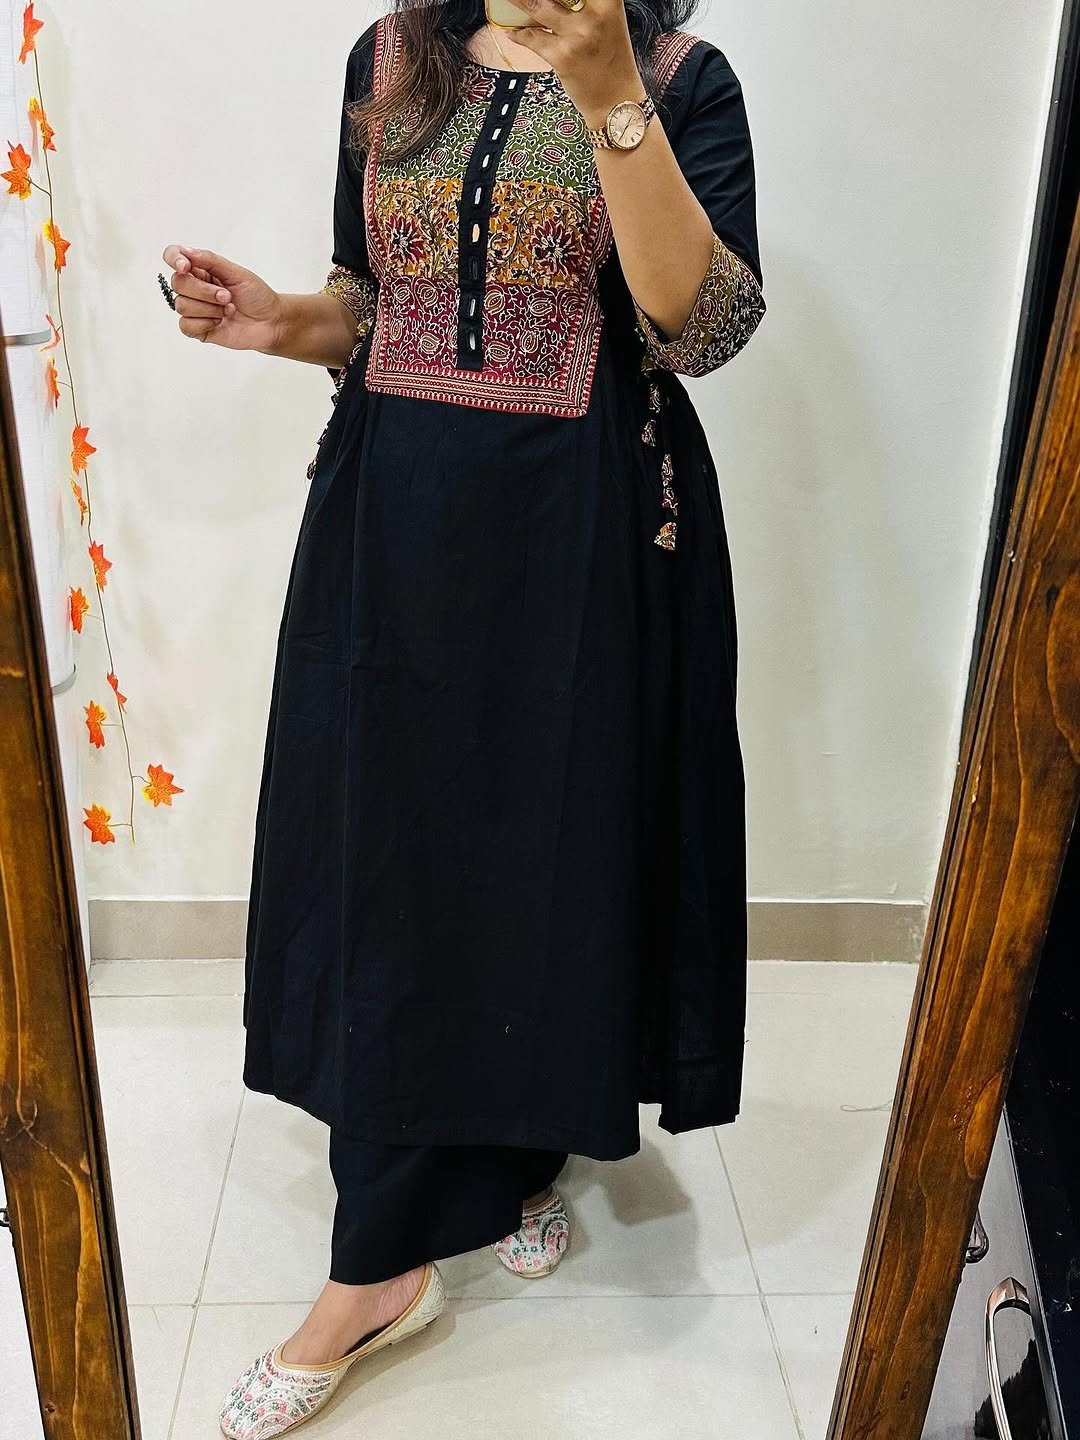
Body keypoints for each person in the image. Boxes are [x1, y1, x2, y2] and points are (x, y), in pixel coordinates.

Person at [163, 0, 764, 1430]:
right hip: (394, 520)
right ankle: (376, 1264)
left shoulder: (681, 77)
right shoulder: (389, 57)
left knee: (545, 849)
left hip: (584, 531)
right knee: (390, 859)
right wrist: (279, 324)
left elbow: (705, 327)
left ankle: (516, 1154)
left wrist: (609, 94)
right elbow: (372, 305)